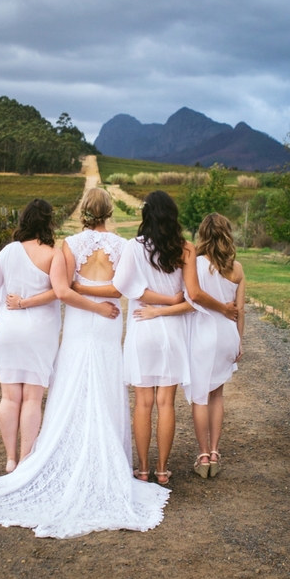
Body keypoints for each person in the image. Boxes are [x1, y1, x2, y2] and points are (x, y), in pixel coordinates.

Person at [0, 188, 169, 537]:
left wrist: (83, 288)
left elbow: (65, 288)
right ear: (109, 211)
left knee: (74, 379)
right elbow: (123, 289)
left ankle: (43, 453)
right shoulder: (123, 247)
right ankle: (103, 459)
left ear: (84, 211)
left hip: (81, 320)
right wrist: (100, 294)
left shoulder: (69, 245)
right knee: (105, 380)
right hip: (109, 321)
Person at [138, 212, 244, 479]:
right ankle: (217, 452)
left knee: (200, 397)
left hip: (203, 336)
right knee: (217, 394)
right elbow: (239, 311)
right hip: (228, 336)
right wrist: (239, 342)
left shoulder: (195, 264)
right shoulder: (238, 268)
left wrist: (158, 312)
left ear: (203, 235)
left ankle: (203, 453)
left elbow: (190, 301)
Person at [112, 190, 193, 485]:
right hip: (172, 331)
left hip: (143, 326)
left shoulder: (134, 247)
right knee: (166, 404)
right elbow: (190, 297)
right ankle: (162, 471)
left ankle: (143, 470)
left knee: (143, 403)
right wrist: (171, 302)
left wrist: (157, 303)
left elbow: (123, 285)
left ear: (146, 214)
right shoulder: (184, 249)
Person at [0, 198, 62, 473]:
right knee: (31, 398)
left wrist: (3, 317)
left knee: (9, 396)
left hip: (8, 330)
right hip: (39, 332)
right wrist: (28, 303)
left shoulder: (7, 252)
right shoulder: (52, 254)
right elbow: (58, 292)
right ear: (48, 221)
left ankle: (10, 459)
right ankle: (27, 458)